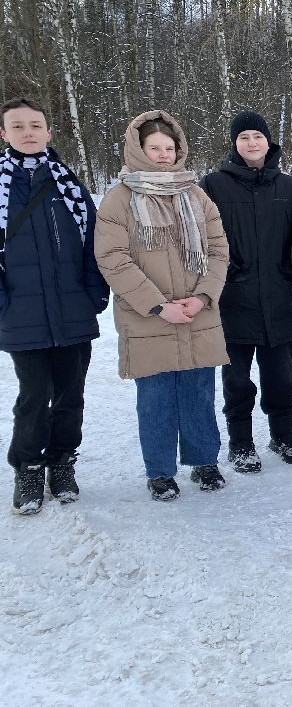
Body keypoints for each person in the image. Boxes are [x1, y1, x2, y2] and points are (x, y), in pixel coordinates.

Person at [94, 110, 229, 501]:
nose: (163, 155)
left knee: (199, 393)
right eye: (154, 148)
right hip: (148, 319)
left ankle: (205, 462)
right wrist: (157, 306)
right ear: (138, 151)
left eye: (169, 148)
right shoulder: (119, 199)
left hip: (196, 313)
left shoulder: (195, 194)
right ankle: (159, 472)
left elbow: (219, 250)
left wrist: (203, 296)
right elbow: (113, 259)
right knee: (155, 399)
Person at [0, 97, 109, 514]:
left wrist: (94, 292)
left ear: (48, 132)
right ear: (4, 133)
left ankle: (61, 461)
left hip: (72, 311)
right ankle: (27, 466)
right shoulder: (2, 187)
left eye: (35, 125)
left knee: (70, 394)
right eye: (18, 125)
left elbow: (95, 245)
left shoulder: (70, 185)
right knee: (33, 394)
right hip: (22, 314)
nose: (28, 132)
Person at [200, 111, 292, 472]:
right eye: (244, 137)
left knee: (281, 375)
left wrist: (286, 271)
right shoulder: (213, 185)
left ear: (268, 142)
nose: (251, 143)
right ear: (234, 143)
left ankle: (283, 435)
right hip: (234, 298)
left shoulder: (289, 188)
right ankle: (241, 443)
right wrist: (227, 273)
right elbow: (203, 239)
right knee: (237, 379)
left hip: (277, 297)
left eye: (257, 137)